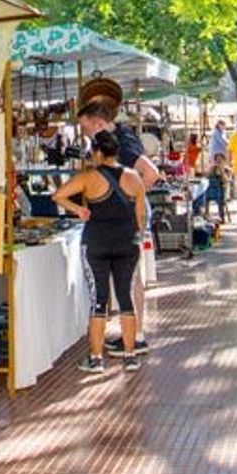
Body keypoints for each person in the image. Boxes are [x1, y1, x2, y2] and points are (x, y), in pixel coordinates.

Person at [53, 130, 148, 374]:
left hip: (96, 243)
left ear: (97, 152)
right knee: (126, 297)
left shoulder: (88, 177)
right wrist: (138, 235)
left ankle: (96, 358)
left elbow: (58, 195)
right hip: (127, 244)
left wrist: (79, 210)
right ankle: (130, 355)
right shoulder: (134, 177)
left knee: (99, 300)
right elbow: (141, 215)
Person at [77, 99, 160, 357]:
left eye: (86, 128)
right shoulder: (115, 140)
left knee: (131, 277)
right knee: (128, 278)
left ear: (99, 123)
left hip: (128, 220)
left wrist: (126, 198)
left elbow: (151, 174)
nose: (86, 134)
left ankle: (135, 337)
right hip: (122, 219)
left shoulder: (122, 143)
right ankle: (132, 334)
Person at [203, 152, 231, 222]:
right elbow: (206, 178)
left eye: (220, 160)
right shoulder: (213, 169)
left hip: (222, 190)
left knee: (220, 199)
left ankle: (221, 216)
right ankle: (206, 215)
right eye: (217, 160)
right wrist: (211, 170)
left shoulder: (227, 170)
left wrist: (222, 172)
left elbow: (226, 181)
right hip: (212, 190)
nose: (219, 162)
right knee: (205, 197)